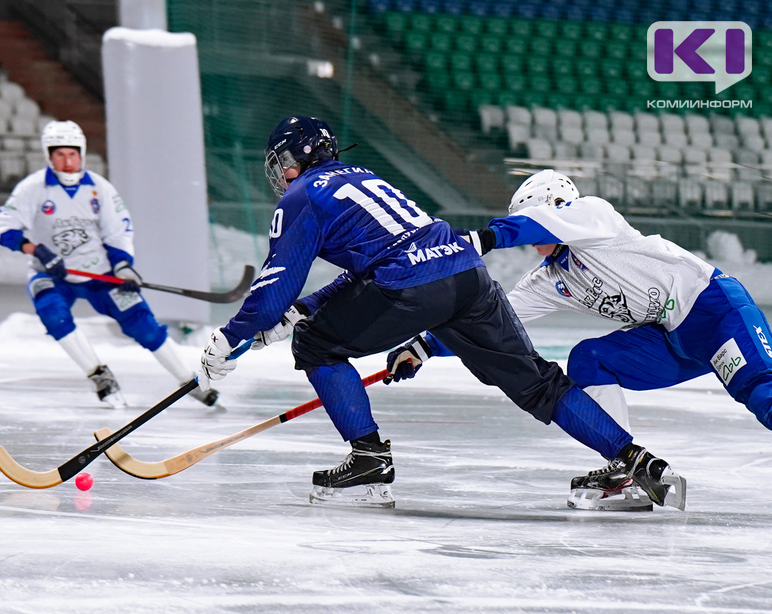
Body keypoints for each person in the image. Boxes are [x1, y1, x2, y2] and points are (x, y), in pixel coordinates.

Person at [196, 116, 685, 510]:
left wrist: (232, 336)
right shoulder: (365, 178)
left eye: (280, 162)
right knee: (539, 382)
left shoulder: (305, 195)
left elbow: (277, 280)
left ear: (294, 161)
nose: (279, 173)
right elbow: (381, 259)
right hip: (466, 274)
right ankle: (636, 460)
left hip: (412, 287)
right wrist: (302, 309)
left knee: (316, 345)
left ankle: (369, 463)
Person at [395, 168, 772, 508]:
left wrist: (481, 239)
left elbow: (539, 222)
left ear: (557, 209)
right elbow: (492, 319)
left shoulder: (595, 216)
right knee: (590, 358)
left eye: (530, 220)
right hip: (671, 338)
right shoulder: (552, 279)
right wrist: (425, 346)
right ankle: (625, 470)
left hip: (714, 311)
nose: (529, 237)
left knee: (761, 394)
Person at [0, 120, 219, 409]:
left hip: (100, 275)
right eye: (59, 155)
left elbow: (117, 231)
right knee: (53, 315)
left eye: (72, 154)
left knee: (143, 325)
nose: (67, 162)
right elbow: (0, 224)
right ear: (49, 156)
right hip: (52, 273)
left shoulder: (99, 189)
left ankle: (189, 381)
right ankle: (99, 375)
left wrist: (122, 266)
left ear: (82, 154)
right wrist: (35, 249)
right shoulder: (33, 188)